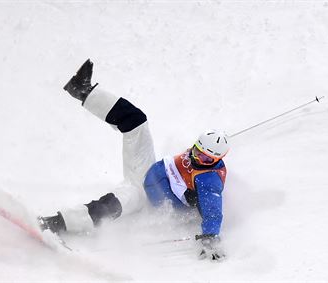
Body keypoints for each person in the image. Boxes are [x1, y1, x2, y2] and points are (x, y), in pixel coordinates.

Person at [39, 59, 229, 261]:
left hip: (145, 197)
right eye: (198, 151)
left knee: (112, 204)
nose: (198, 157)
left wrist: (210, 237)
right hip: (147, 169)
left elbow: (213, 211)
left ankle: (56, 223)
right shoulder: (197, 153)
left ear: (216, 160)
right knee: (137, 121)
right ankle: (83, 90)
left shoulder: (209, 180)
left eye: (206, 158)